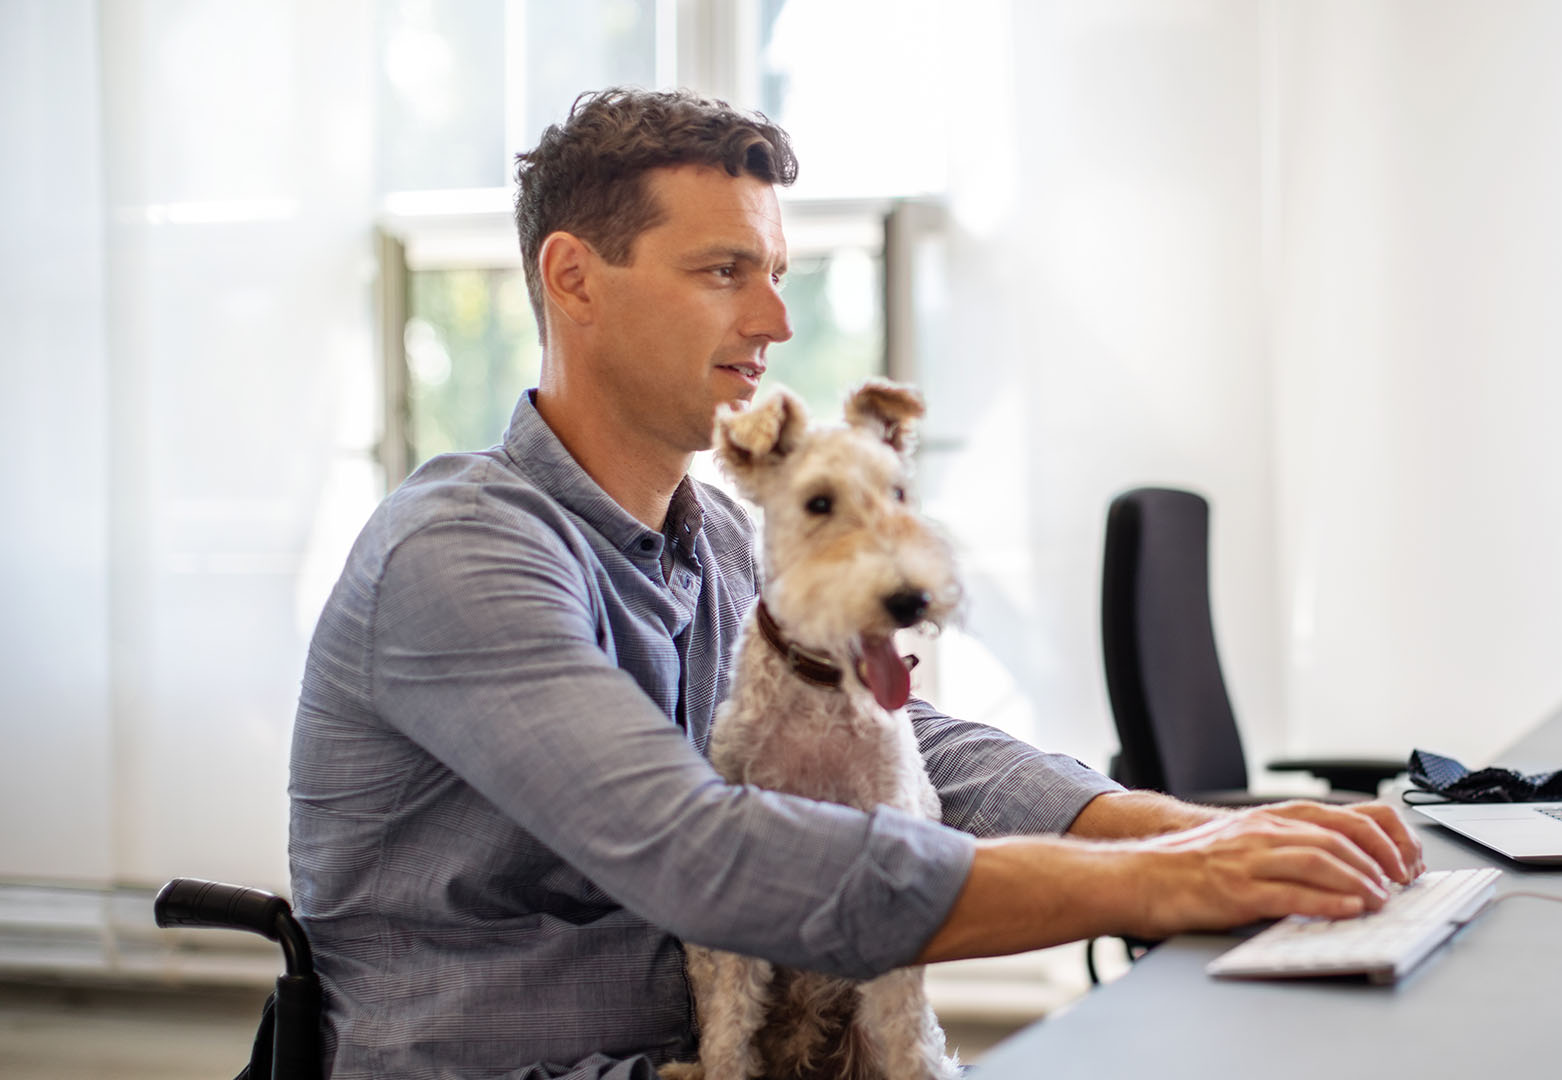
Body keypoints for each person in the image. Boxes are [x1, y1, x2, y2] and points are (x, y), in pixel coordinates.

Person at [289, 87, 1423, 1080]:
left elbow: (897, 742)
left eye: (775, 275)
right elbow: (705, 853)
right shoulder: (458, 554)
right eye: (724, 272)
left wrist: (1175, 833)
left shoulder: (725, 543)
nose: (776, 322)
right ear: (574, 278)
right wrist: (1162, 888)